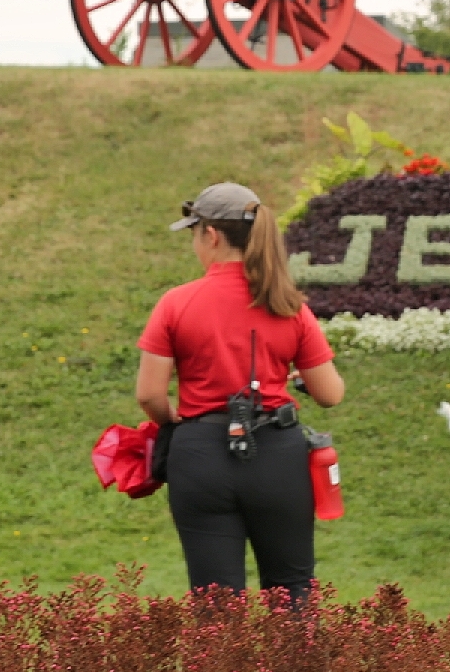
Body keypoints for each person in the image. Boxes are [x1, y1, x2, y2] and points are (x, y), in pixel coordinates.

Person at [136, 182, 345, 603]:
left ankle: (218, 671)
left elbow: (149, 394)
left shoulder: (176, 303)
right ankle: (298, 671)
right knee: (292, 593)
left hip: (199, 457)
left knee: (215, 603)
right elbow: (330, 394)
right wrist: (294, 378)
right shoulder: (288, 305)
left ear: (211, 235)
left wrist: (170, 418)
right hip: (278, 456)